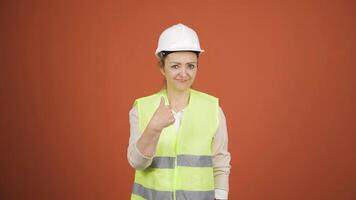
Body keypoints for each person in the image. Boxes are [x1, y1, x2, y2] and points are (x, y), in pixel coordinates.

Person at [127, 23, 231, 200]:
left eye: (190, 66)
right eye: (175, 66)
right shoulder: (142, 108)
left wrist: (221, 197)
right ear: (162, 67)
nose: (184, 73)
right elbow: (137, 162)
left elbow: (220, 163)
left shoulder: (212, 109)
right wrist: (153, 128)